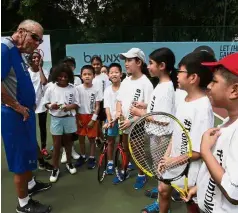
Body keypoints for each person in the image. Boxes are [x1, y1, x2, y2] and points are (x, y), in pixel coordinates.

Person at [1, 19, 52, 213]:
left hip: (24, 114)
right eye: (35, 38)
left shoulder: (19, 52)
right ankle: (23, 205)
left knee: (30, 150)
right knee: (20, 160)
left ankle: (30, 184)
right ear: (21, 31)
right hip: (14, 115)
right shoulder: (4, 49)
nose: (37, 43)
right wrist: (17, 106)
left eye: (40, 40)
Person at [157, 51, 216, 213]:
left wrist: (172, 161)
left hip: (190, 170)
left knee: (191, 205)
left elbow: (198, 152)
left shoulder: (203, 108)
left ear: (193, 78)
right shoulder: (182, 97)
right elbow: (176, 133)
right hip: (174, 161)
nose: (176, 74)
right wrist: (167, 156)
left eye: (180, 71)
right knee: (163, 191)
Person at [183, 53, 238, 213]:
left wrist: (205, 152)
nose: (208, 86)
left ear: (234, 91)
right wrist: (200, 186)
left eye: (214, 81)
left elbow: (234, 192)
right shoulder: (227, 123)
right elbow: (222, 170)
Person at [126, 48, 178, 211]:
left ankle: (162, 201)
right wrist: (146, 106)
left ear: (162, 65)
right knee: (159, 169)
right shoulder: (163, 85)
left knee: (161, 169)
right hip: (157, 135)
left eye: (151, 63)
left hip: (161, 136)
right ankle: (161, 191)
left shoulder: (166, 87)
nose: (148, 67)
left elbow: (163, 120)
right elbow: (160, 109)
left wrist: (140, 113)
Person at [114, 48, 154, 189]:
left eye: (129, 60)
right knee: (125, 149)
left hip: (138, 125)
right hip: (123, 123)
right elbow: (119, 100)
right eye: (125, 60)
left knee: (136, 151)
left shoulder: (146, 84)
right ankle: (124, 171)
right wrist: (118, 112)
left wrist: (130, 121)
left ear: (139, 62)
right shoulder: (125, 81)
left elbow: (148, 110)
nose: (126, 63)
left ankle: (141, 175)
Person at [43, 63, 79, 182]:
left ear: (69, 77)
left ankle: (69, 163)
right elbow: (45, 103)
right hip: (56, 119)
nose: (63, 78)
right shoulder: (51, 87)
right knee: (57, 145)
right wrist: (50, 105)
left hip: (68, 118)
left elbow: (76, 104)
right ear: (56, 76)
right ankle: (55, 168)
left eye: (65, 76)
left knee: (68, 143)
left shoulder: (72, 88)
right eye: (60, 76)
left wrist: (68, 107)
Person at [75, 65, 102, 169]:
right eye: (84, 74)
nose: (87, 76)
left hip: (92, 117)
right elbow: (76, 105)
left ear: (93, 76)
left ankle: (91, 157)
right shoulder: (77, 89)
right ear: (81, 76)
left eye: (89, 74)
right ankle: (82, 156)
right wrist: (77, 118)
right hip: (80, 117)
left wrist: (93, 119)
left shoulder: (97, 89)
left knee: (91, 139)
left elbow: (98, 106)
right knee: (81, 139)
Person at [28, 50, 51, 160]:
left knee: (42, 127)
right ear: (30, 60)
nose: (36, 59)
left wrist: (40, 68)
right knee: (31, 128)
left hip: (42, 104)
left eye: (38, 57)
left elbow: (44, 82)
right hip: (30, 104)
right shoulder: (27, 72)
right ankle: (34, 149)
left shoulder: (44, 71)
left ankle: (44, 148)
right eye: (34, 58)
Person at [103, 63, 122, 174]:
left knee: (123, 142)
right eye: (111, 72)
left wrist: (117, 118)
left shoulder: (125, 88)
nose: (114, 74)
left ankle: (125, 161)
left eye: (116, 72)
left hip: (123, 119)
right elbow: (107, 107)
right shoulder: (107, 90)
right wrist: (110, 120)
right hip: (111, 120)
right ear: (108, 75)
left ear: (121, 74)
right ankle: (110, 162)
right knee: (111, 142)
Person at [61, 56, 81, 163]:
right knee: (63, 133)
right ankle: (65, 151)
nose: (68, 67)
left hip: (73, 110)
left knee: (72, 132)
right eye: (66, 64)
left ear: (74, 67)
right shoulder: (60, 78)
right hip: (62, 111)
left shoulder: (77, 79)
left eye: (71, 65)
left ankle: (72, 150)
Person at [91, 56, 111, 145]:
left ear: (101, 64)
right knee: (96, 122)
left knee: (104, 122)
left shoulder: (105, 77)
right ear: (91, 65)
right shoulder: (90, 75)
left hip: (103, 102)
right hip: (93, 103)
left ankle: (103, 138)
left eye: (98, 64)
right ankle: (99, 137)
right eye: (94, 64)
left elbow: (107, 90)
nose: (96, 66)